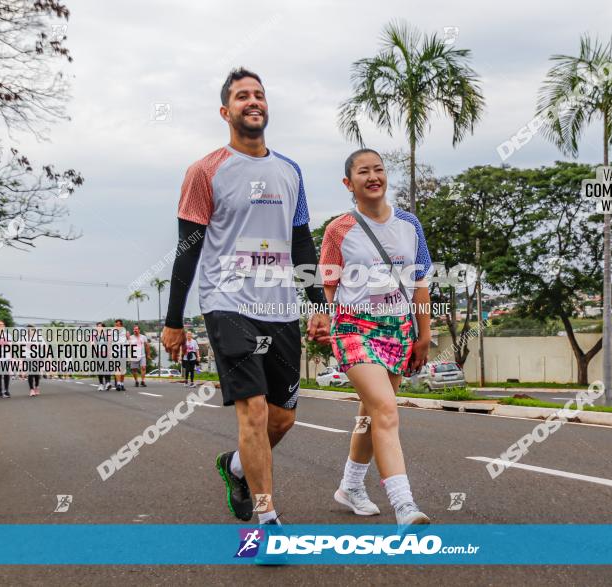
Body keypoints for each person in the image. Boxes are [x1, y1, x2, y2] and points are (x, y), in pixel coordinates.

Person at [161, 68, 330, 526]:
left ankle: (234, 466)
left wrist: (318, 307)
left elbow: (301, 244)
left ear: (266, 107)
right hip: (226, 302)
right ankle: (266, 518)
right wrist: (174, 320)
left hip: (279, 307)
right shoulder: (205, 171)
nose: (252, 101)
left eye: (258, 95)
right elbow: (188, 249)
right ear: (225, 111)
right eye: (241, 96)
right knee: (253, 409)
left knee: (281, 420)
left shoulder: (290, 171)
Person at [319, 148, 433, 529]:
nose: (373, 177)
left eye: (379, 170)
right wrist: (331, 321)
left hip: (398, 328)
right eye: (363, 172)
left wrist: (424, 334)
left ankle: (350, 486)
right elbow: (329, 285)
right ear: (348, 183)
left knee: (370, 413)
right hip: (353, 326)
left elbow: (420, 283)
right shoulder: (338, 229)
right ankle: (405, 505)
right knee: (386, 408)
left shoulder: (409, 224)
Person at [25, 324, 42, 396]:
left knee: (36, 374)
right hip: (28, 357)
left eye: (32, 329)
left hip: (37, 357)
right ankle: (31, 389)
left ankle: (37, 386)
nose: (30, 331)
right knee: (30, 373)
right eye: (29, 330)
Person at [94, 322, 112, 391]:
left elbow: (110, 344)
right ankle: (101, 384)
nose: (98, 328)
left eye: (99, 326)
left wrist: (110, 354)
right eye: (97, 326)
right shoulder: (95, 335)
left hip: (106, 353)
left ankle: (107, 383)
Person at [113, 319, 127, 391]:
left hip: (124, 352)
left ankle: (122, 384)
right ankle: (118, 383)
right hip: (116, 352)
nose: (116, 326)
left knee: (123, 369)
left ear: (121, 326)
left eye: (118, 325)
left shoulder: (125, 332)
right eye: (115, 325)